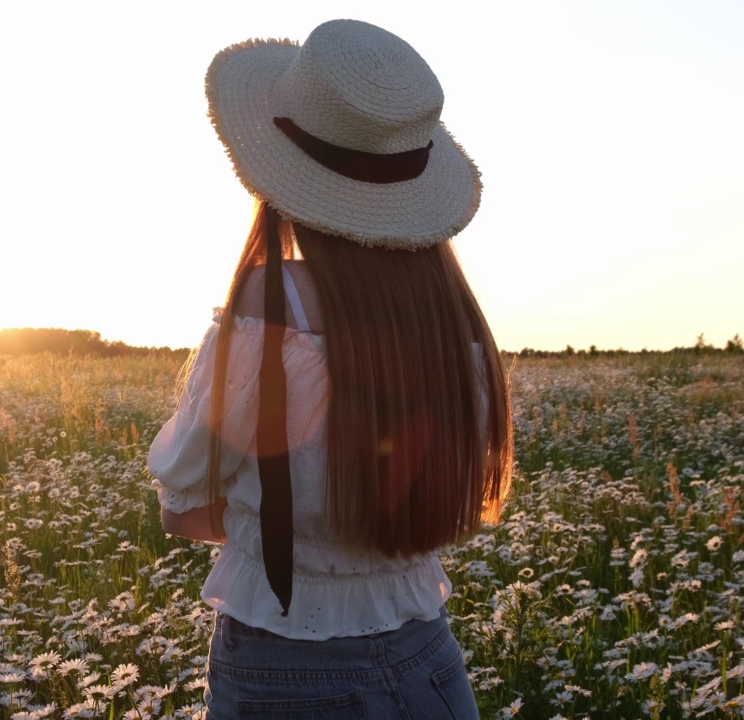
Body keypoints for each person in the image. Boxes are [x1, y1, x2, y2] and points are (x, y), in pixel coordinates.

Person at [147, 18, 514, 719]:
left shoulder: (268, 308)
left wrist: (283, 524)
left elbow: (185, 509)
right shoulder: (458, 324)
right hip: (429, 662)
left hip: (284, 666)